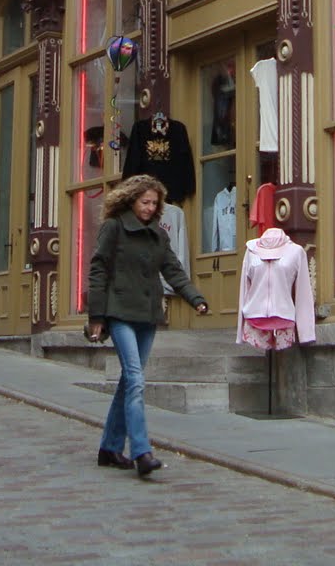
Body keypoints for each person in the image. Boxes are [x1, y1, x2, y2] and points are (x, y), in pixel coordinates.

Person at [86, 174, 209, 477]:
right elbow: (98, 269)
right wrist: (96, 318)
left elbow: (173, 270)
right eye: (145, 202)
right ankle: (142, 452)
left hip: (148, 315)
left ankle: (109, 448)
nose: (150, 208)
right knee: (136, 379)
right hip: (119, 313)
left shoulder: (158, 235)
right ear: (131, 200)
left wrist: (196, 299)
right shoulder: (113, 228)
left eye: (155, 203)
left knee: (129, 381)